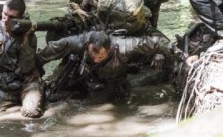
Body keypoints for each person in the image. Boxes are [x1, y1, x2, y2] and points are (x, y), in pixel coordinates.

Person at [38, 30, 178, 102]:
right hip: (85, 79)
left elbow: (157, 42)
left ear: (109, 49)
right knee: (53, 97)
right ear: (89, 45)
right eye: (93, 54)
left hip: (111, 83)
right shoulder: (79, 42)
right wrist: (35, 67)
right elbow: (53, 48)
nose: (96, 58)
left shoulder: (124, 46)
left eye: (101, 56)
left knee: (92, 107)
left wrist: (183, 56)